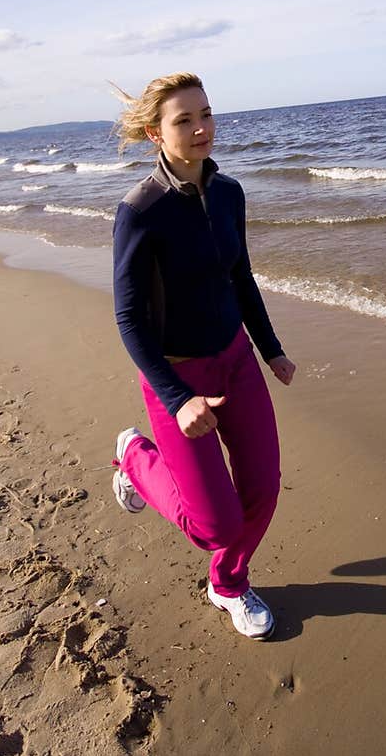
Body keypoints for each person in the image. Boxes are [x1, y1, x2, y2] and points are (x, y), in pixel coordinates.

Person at [110, 71, 296, 640]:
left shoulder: (229, 193)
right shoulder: (141, 211)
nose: (200, 129)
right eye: (184, 120)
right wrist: (177, 397)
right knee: (213, 524)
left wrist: (271, 351)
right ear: (154, 133)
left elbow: (240, 278)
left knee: (262, 488)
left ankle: (228, 584)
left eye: (206, 114)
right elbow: (129, 318)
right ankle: (137, 458)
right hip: (178, 376)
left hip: (235, 359)